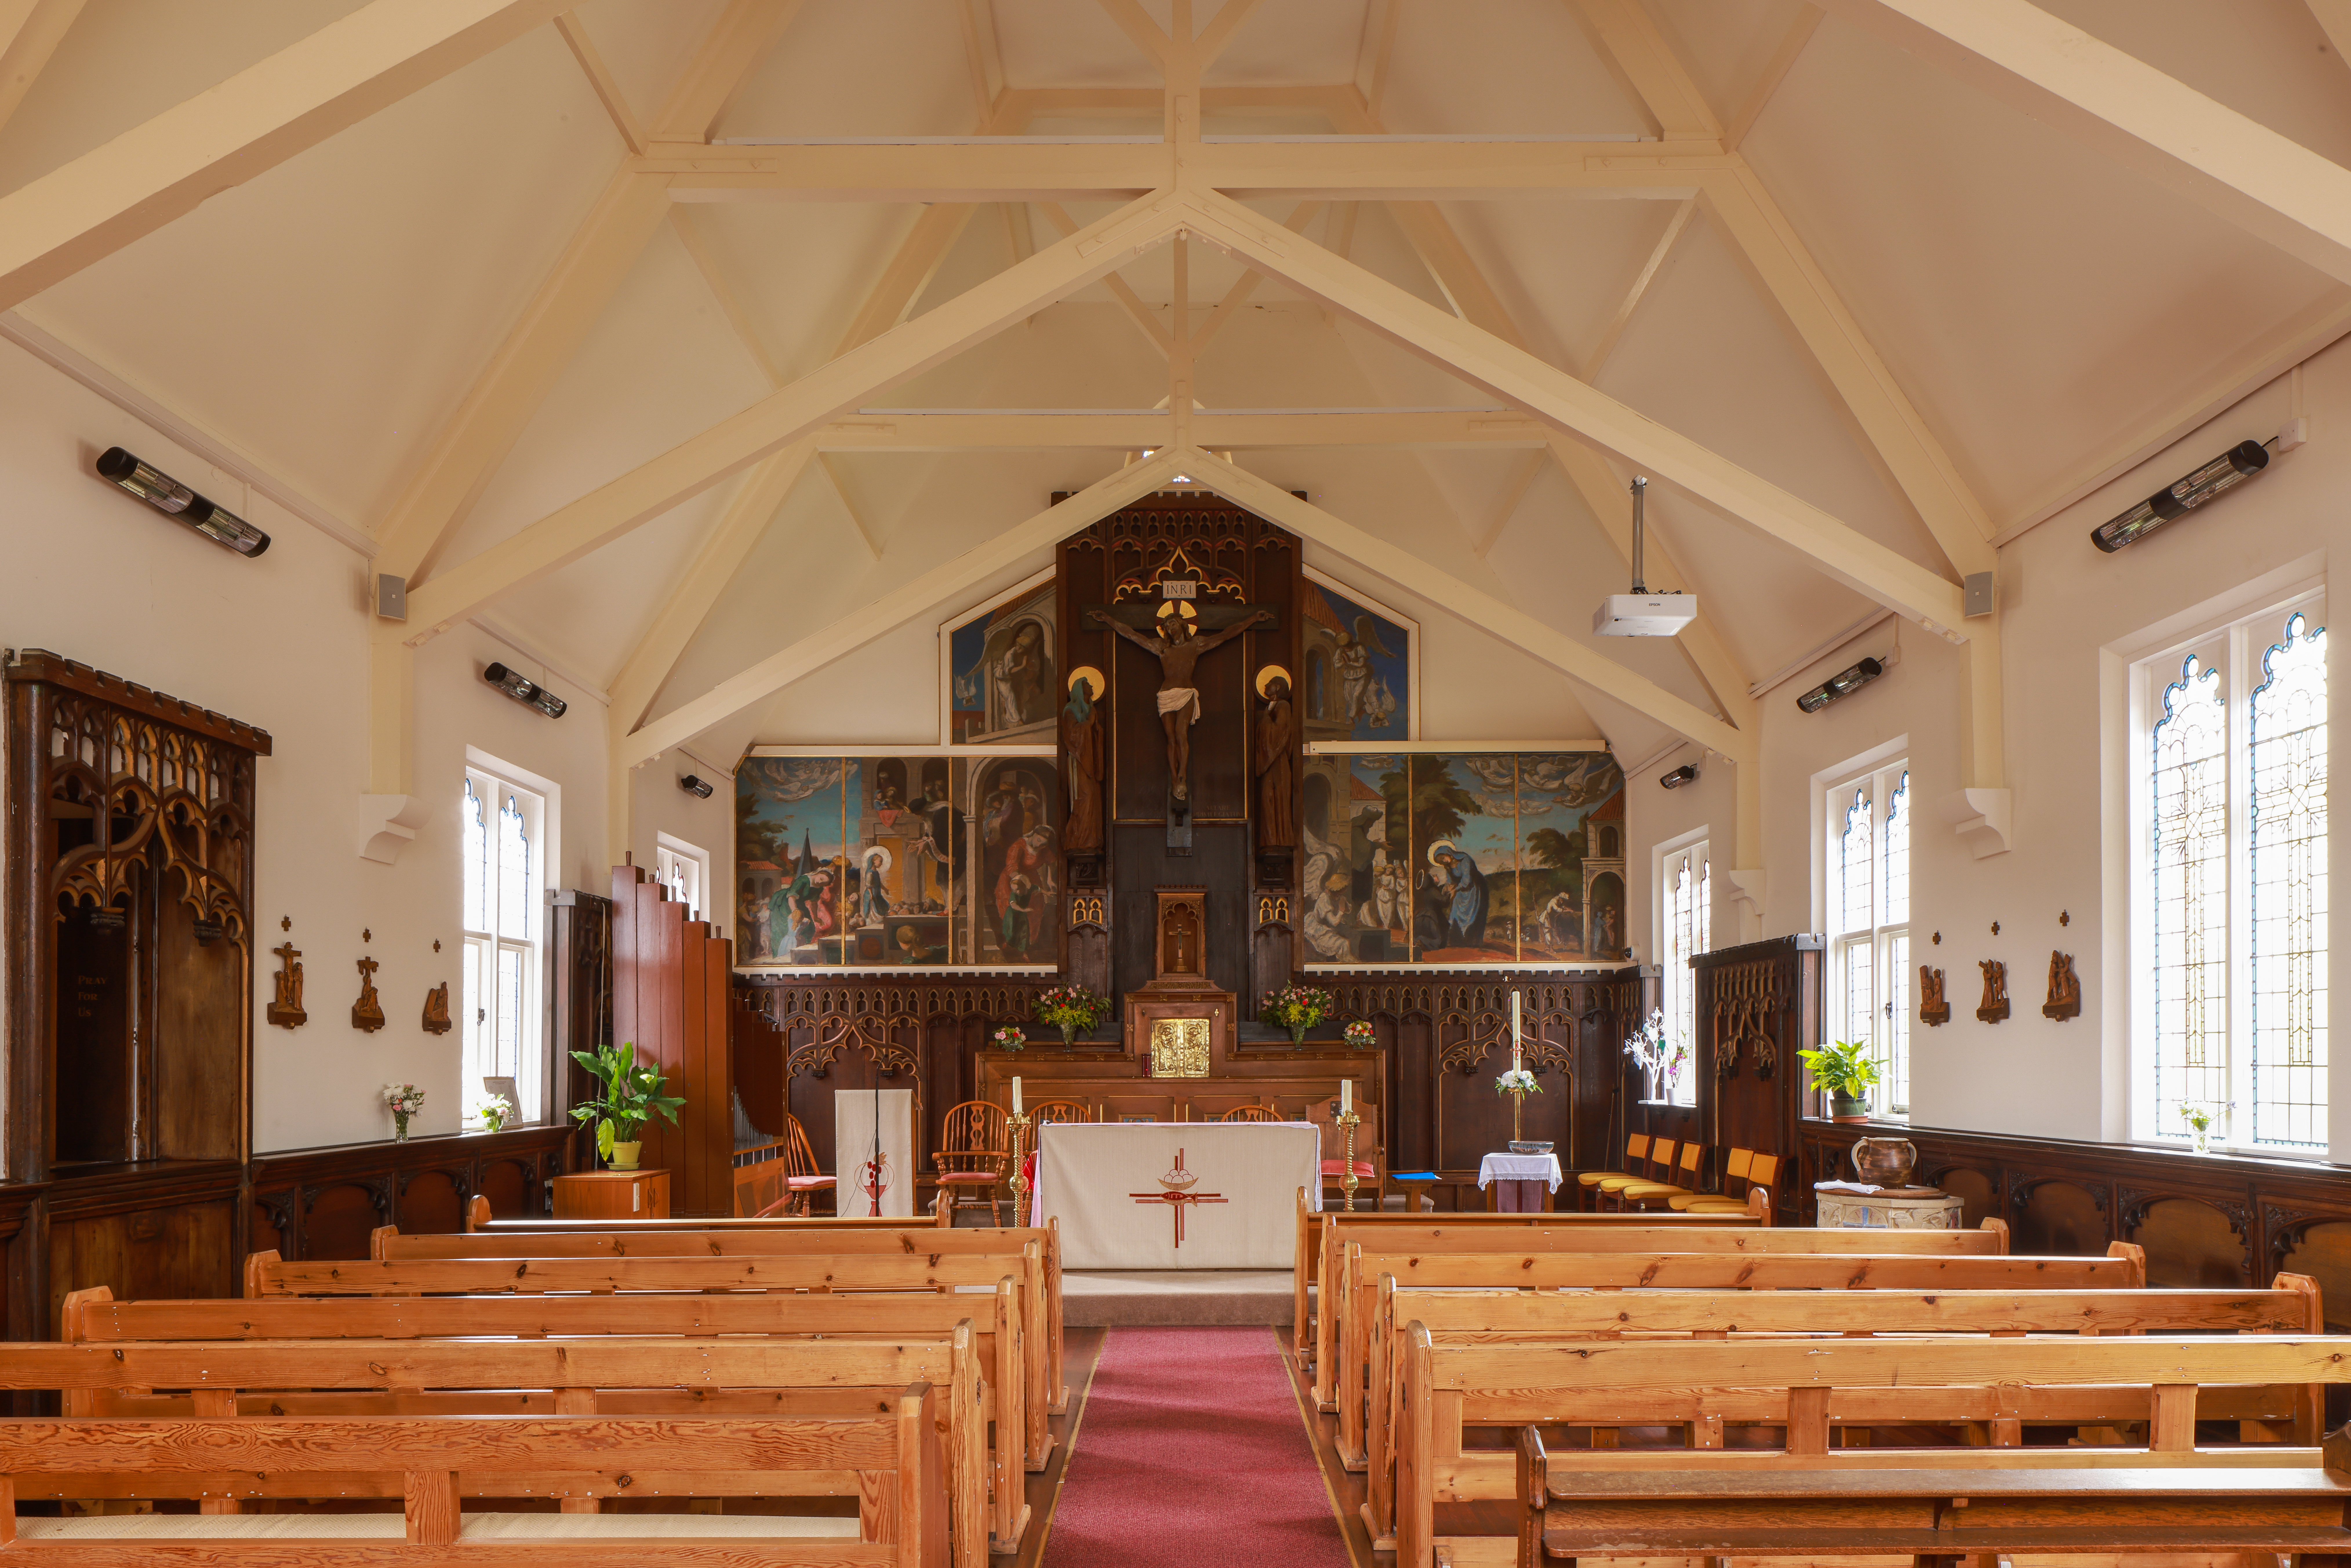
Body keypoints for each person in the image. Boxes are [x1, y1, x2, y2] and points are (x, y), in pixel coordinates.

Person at [1088, 601, 1274, 802]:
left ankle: (1183, 776)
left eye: (1174, 624)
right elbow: (1132, 635)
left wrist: (1253, 619)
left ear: (1183, 625)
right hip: (1166, 695)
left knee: (1180, 733)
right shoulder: (1161, 647)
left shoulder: (1196, 645)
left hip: (1186, 693)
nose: (1170, 628)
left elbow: (1226, 635)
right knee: (1170, 738)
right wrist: (1108, 619)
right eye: (1167, 626)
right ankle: (1175, 778)